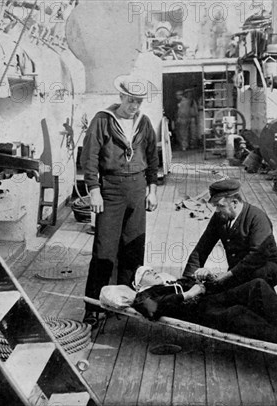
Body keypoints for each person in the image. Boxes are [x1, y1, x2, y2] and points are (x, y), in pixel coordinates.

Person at [80, 74, 159, 327]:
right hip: (111, 189)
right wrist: (94, 189)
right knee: (104, 250)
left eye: (139, 102)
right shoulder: (103, 120)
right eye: (131, 100)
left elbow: (152, 157)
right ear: (121, 97)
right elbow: (89, 157)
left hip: (137, 187)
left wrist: (153, 189)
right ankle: (92, 307)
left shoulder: (144, 123)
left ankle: (123, 302)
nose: (134, 106)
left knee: (133, 249)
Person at [131, 266, 277, 352]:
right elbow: (152, 309)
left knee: (257, 285)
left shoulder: (172, 281)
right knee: (238, 313)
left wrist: (206, 279)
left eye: (154, 269)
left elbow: (201, 285)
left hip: (213, 298)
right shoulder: (143, 296)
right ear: (139, 283)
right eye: (148, 272)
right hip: (203, 313)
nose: (154, 271)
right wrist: (187, 294)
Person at [183, 179, 277, 291]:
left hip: (269, 264)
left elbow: (257, 255)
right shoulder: (219, 217)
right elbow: (202, 248)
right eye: (216, 206)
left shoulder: (258, 218)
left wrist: (228, 274)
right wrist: (188, 279)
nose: (217, 210)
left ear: (234, 203)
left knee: (253, 285)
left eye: (220, 206)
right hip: (240, 268)